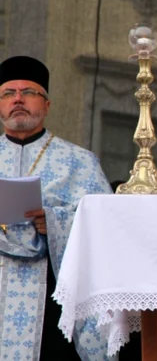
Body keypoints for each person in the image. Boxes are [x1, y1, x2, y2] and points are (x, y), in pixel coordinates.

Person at [0, 56, 113, 360]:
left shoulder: (80, 162)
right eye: (8, 93)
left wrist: (56, 223)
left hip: (53, 305)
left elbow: (107, 229)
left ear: (47, 104)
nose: (18, 99)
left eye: (29, 92)